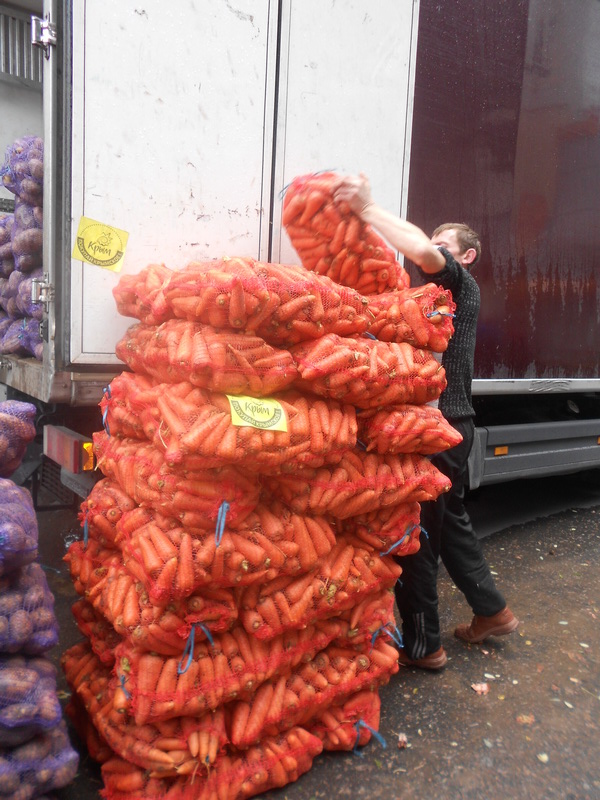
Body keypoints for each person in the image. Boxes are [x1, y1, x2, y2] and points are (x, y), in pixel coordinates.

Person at [333, 172, 519, 670]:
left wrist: (368, 211)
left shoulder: (457, 283)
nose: (430, 252)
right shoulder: (433, 303)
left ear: (466, 255)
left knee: (416, 535)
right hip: (454, 426)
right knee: (449, 521)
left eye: (443, 246)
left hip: (437, 429)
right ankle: (492, 612)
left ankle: (424, 645)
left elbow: (421, 249)